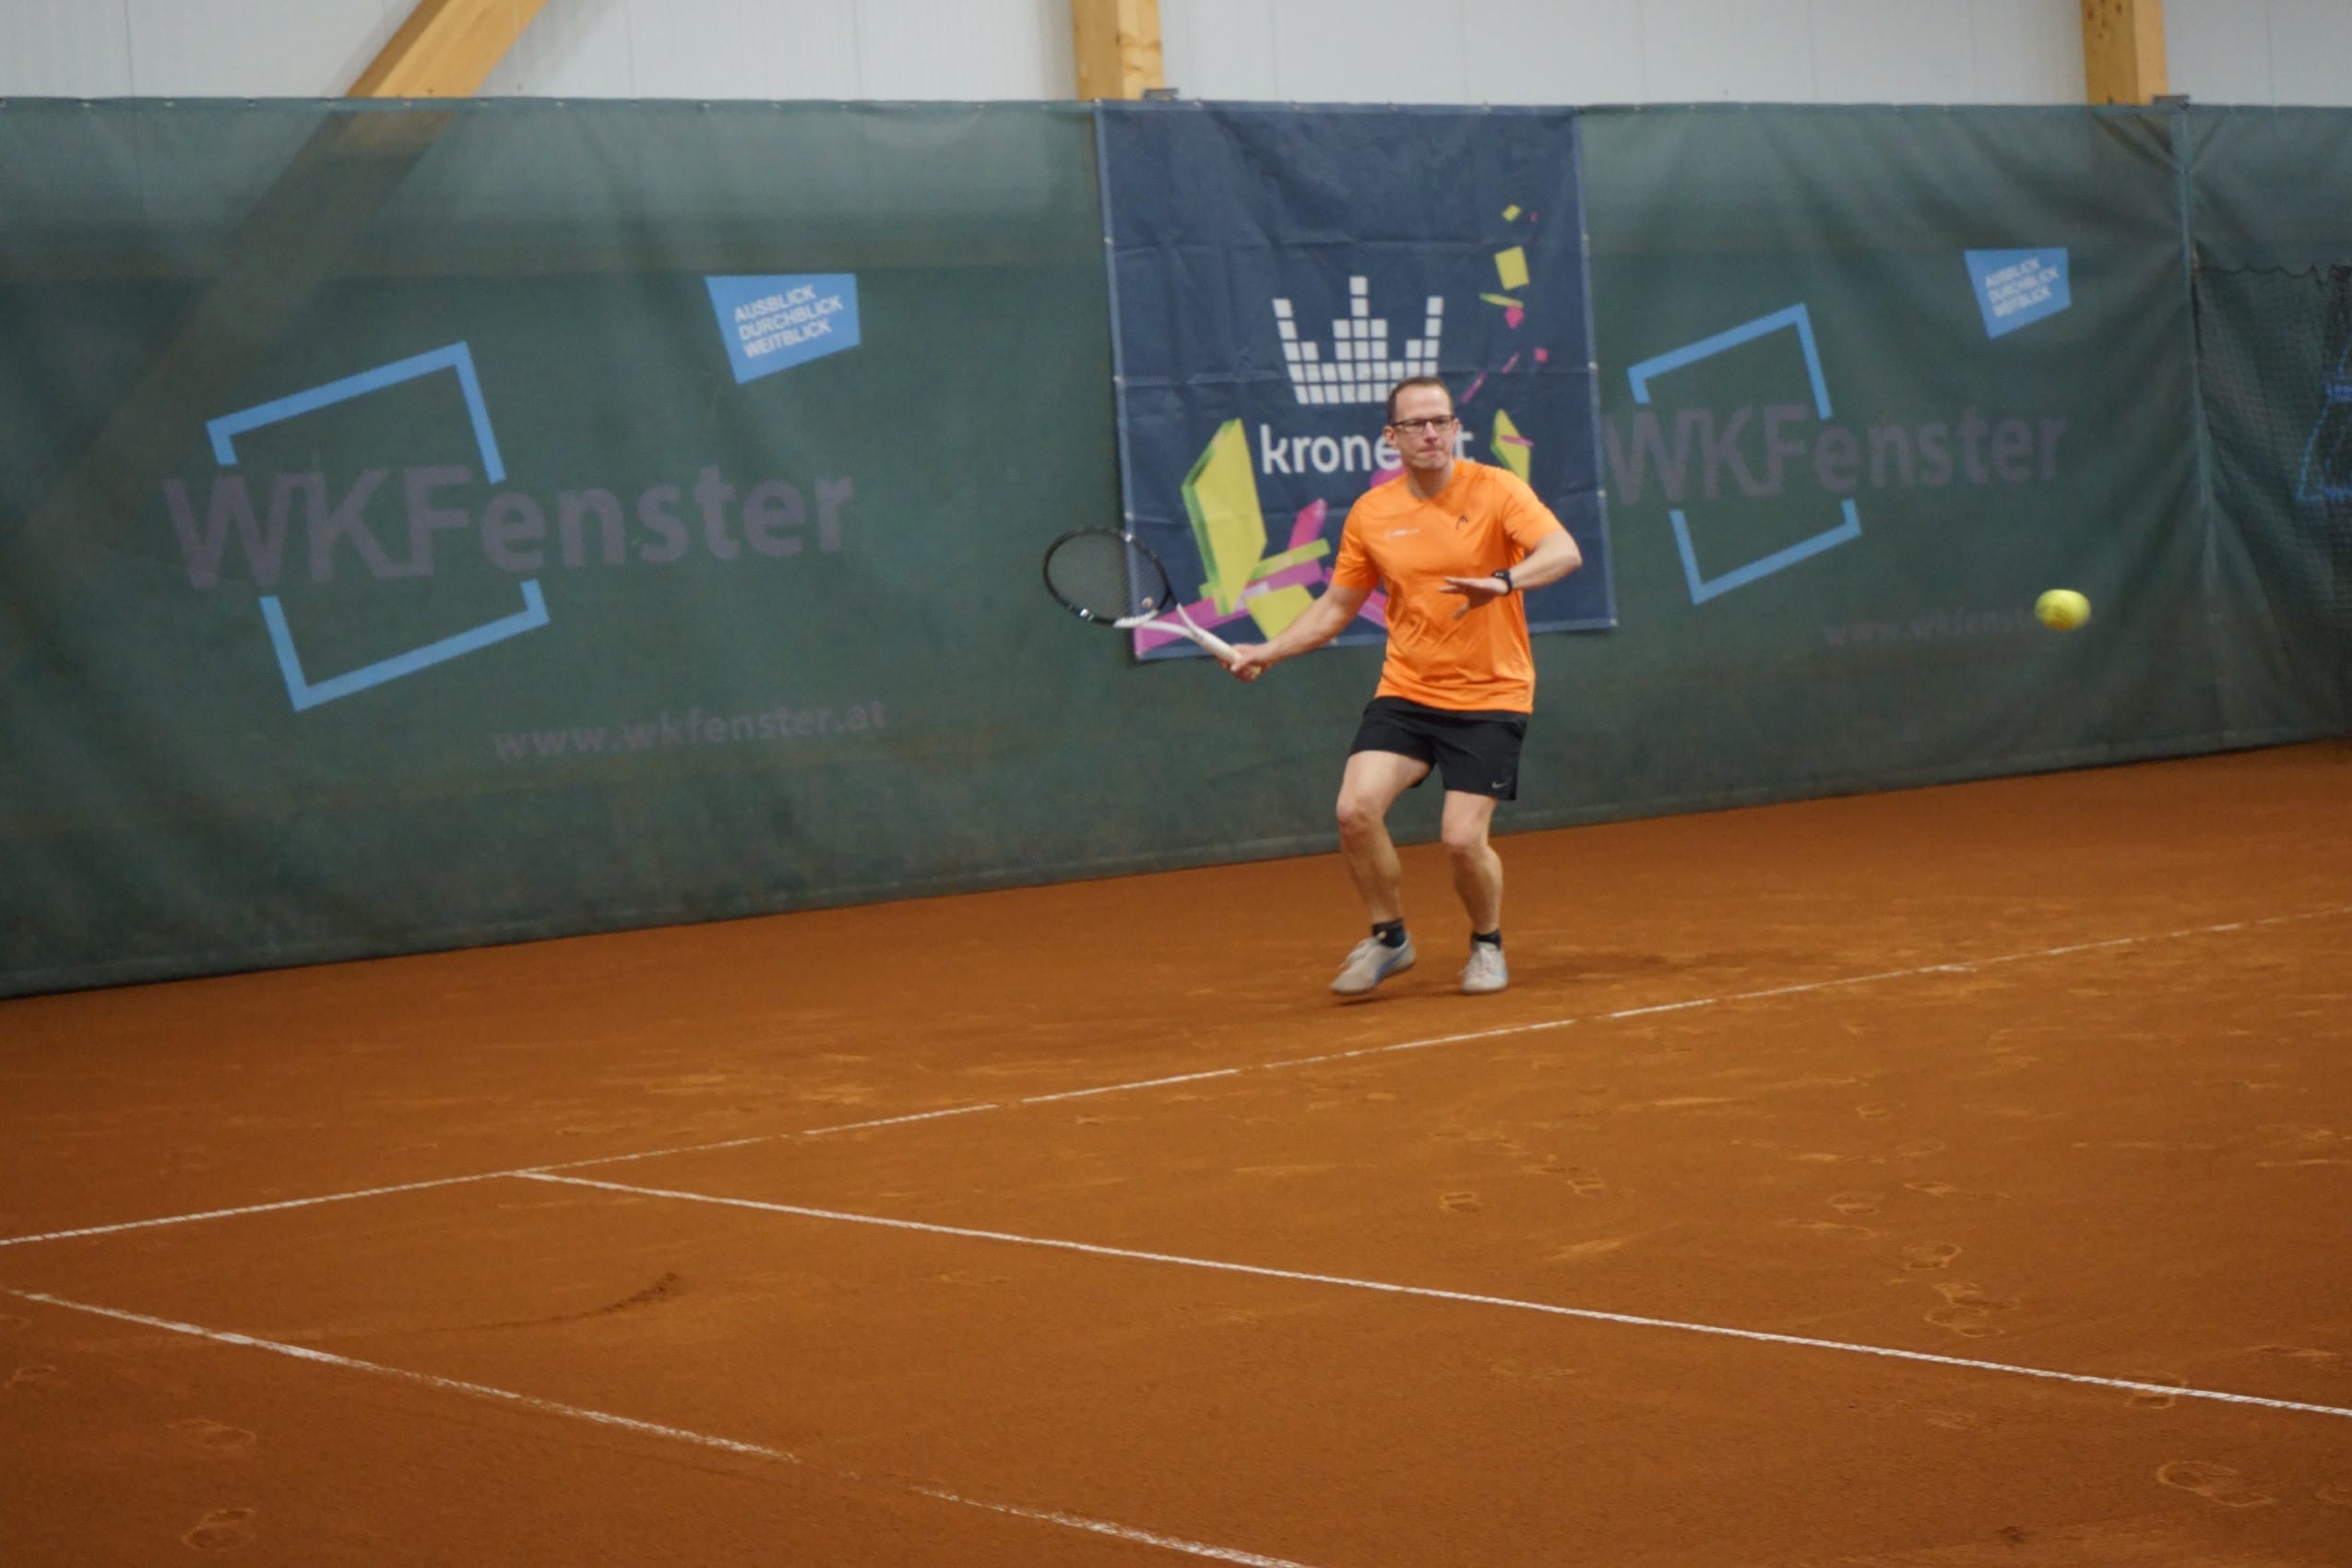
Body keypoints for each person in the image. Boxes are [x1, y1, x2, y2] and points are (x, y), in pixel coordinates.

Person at [1224, 375, 1583, 996]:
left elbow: (1564, 551)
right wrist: (1269, 651)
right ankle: (1390, 938)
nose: (1431, 434)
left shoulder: (1497, 488)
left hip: (1492, 694)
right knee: (1354, 810)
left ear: (1456, 428)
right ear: (1391, 437)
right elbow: (1337, 606)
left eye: (1441, 421)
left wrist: (1503, 581)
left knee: (1462, 840)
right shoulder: (1372, 513)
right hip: (1409, 689)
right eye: (1416, 424)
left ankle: (1487, 942)